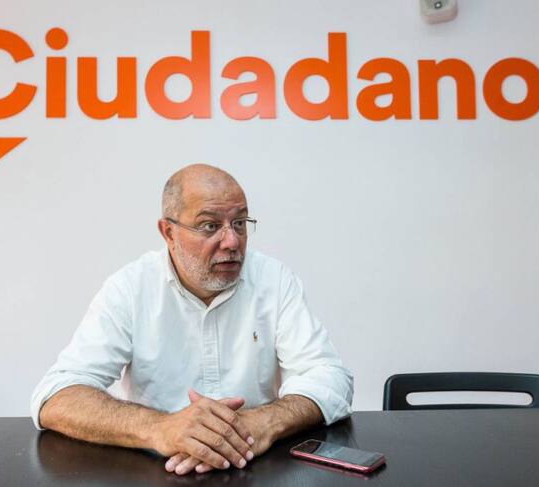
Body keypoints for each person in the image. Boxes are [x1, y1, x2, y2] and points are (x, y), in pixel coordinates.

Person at [30, 163, 353, 475]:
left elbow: (330, 377)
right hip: (156, 470)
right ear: (168, 232)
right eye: (210, 226)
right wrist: (160, 428)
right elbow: (56, 395)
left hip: (256, 464)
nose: (232, 241)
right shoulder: (130, 287)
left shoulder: (274, 280)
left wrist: (263, 422)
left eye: (240, 223)